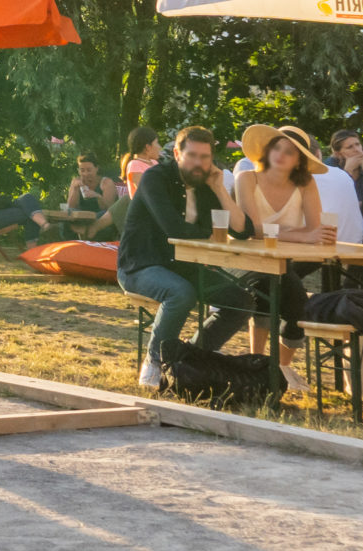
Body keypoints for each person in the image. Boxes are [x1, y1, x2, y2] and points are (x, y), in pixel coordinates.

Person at [114, 125, 258, 392]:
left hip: (183, 266)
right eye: (192, 155)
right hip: (140, 265)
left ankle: (189, 358)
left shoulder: (207, 185)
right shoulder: (155, 177)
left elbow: (243, 230)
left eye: (205, 157)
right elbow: (174, 229)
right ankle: (156, 360)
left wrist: (220, 189)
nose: (198, 163)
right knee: (181, 293)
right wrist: (211, 231)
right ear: (177, 154)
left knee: (242, 301)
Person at [232, 131, 332, 393]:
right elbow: (252, 230)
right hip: (244, 258)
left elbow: (316, 229)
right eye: (276, 148)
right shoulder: (246, 178)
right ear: (267, 151)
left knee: (292, 301)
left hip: (284, 259)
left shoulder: (306, 183)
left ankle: (275, 366)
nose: (280, 155)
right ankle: (264, 364)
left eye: (289, 152)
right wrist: (300, 235)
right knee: (287, 295)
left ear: (299, 160)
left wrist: (292, 235)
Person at [281, 125, 363, 247]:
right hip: (356, 246)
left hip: (323, 250)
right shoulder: (343, 174)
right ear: (319, 153)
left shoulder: (297, 180)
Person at [63, 154, 124, 237]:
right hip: (82, 216)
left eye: (89, 170)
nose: (85, 173)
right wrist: (75, 189)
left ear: (96, 169)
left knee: (102, 214)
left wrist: (97, 196)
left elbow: (109, 209)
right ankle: (80, 232)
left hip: (99, 216)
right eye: (82, 170)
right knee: (67, 214)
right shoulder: (76, 182)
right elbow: (70, 206)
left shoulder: (106, 183)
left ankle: (83, 230)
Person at [121, 127, 163, 197]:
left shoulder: (154, 162)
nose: (159, 147)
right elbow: (146, 193)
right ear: (148, 147)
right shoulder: (135, 165)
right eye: (157, 143)